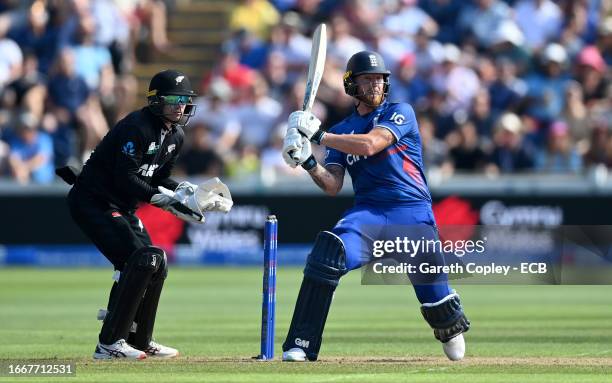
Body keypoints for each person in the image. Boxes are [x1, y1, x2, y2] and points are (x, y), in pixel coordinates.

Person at [281, 51, 470, 362]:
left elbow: (371, 144)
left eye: (380, 79)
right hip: (368, 214)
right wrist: (308, 162)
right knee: (327, 254)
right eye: (367, 79)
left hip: (411, 214)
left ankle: (449, 325)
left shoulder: (401, 112)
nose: (376, 85)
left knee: (444, 318)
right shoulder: (343, 128)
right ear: (351, 85)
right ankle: (301, 343)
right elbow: (332, 185)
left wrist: (319, 135)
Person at [63, 69, 231, 360]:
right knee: (143, 259)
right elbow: (125, 177)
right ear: (156, 101)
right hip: (93, 201)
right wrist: (164, 202)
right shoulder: (136, 127)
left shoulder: (176, 135)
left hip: (122, 206)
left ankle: (140, 339)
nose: (180, 105)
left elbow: (161, 177)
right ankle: (110, 342)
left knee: (157, 261)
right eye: (173, 99)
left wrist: (191, 192)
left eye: (185, 100)